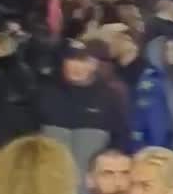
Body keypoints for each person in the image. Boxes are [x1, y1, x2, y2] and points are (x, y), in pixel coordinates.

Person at [38, 39, 129, 179]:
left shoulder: (110, 98)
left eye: (83, 60)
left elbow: (121, 142)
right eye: (71, 59)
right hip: (50, 187)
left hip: (91, 192)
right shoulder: (45, 94)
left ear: (94, 64)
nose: (76, 66)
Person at [131, 36, 173, 154]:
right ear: (158, 53)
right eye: (171, 50)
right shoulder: (153, 82)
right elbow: (156, 124)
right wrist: (160, 153)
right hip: (158, 151)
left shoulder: (169, 80)